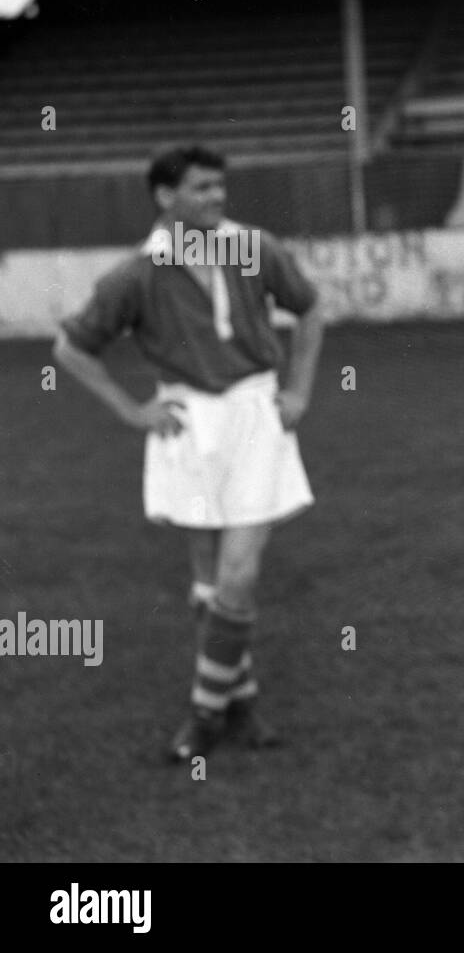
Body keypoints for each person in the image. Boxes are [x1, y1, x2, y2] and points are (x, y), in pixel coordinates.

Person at [53, 145, 324, 761]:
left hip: (255, 415)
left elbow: (309, 310)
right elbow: (70, 348)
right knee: (208, 581)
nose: (217, 198)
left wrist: (301, 389)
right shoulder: (139, 272)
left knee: (239, 572)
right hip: (187, 425)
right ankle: (242, 703)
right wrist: (132, 411)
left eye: (220, 187)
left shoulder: (253, 247)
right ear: (165, 196)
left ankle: (203, 716)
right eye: (202, 188)